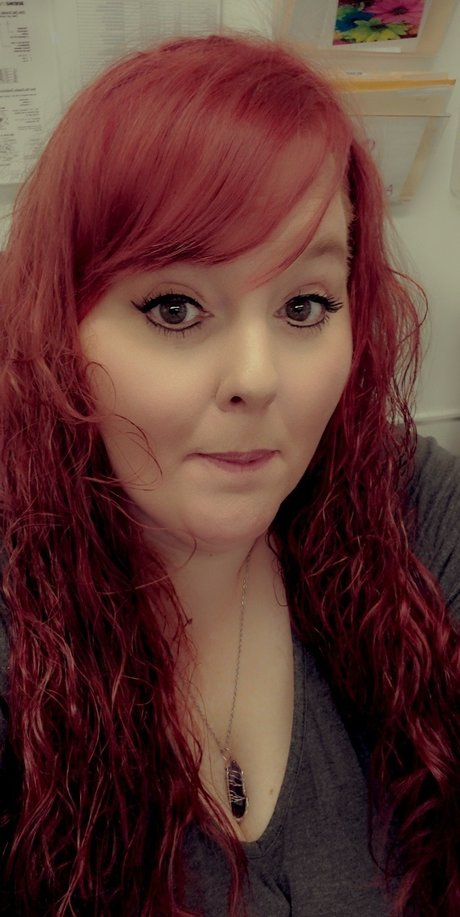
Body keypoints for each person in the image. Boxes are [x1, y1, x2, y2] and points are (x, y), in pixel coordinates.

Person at [0, 31, 459, 917]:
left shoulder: (405, 507)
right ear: (62, 334)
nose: (257, 377)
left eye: (305, 304)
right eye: (176, 307)